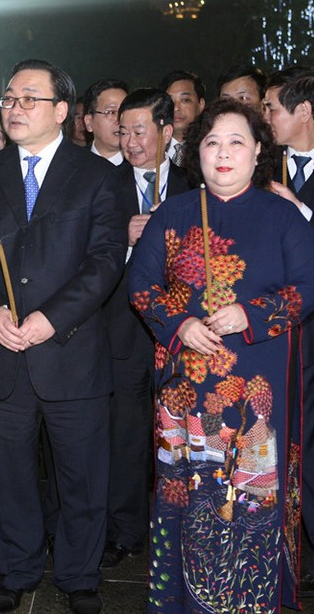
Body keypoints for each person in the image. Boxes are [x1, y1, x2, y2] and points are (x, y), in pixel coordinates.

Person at [128, 98, 314, 612]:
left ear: (259, 151)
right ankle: (181, 600)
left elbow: (310, 287)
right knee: (187, 492)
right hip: (185, 387)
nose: (223, 153)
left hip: (258, 385)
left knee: (251, 496)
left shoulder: (283, 216)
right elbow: (141, 286)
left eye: (237, 142)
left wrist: (253, 314)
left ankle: (251, 598)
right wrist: (180, 324)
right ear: (198, 152)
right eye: (212, 142)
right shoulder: (172, 212)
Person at [0, 59, 126, 614]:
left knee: (81, 473)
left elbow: (103, 262)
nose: (15, 107)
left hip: (70, 350)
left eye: (29, 98)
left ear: (61, 110)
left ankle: (79, 576)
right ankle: (16, 569)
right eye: (9, 97)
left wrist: (52, 317)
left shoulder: (97, 175)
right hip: (2, 349)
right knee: (10, 474)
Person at [98, 88, 190, 569]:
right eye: (123, 131)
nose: (130, 141)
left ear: (167, 131)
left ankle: (187, 526)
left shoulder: (196, 184)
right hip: (121, 327)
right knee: (126, 432)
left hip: (183, 331)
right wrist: (122, 237)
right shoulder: (101, 182)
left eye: (140, 130)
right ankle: (125, 529)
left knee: (189, 433)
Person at [263, 66, 314, 613]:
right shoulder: (259, 162)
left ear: (305, 113)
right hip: (261, 327)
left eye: (272, 107)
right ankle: (267, 554)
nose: (265, 117)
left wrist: (300, 211)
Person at [160, 70, 206, 165]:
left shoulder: (208, 149)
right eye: (170, 101)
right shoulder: (150, 149)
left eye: (185, 100)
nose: (176, 108)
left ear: (200, 105)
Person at [83, 79, 129, 166]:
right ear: (89, 122)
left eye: (124, 111)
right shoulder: (71, 165)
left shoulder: (141, 168)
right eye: (111, 112)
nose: (120, 120)